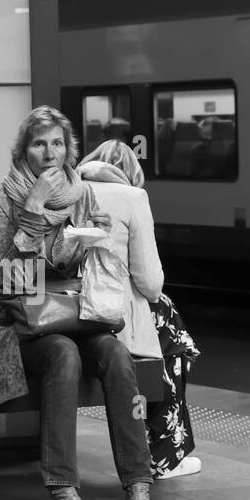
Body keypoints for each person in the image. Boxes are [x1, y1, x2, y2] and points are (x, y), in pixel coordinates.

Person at [0, 106, 159, 500]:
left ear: (68, 148)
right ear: (23, 151)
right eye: (39, 143)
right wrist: (35, 208)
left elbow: (80, 265)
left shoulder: (84, 194)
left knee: (115, 353)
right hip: (19, 323)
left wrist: (97, 238)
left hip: (75, 314)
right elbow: (11, 276)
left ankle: (137, 484)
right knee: (62, 355)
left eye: (57, 143)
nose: (49, 152)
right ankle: (62, 493)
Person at [77, 139, 201, 479]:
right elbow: (150, 282)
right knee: (172, 338)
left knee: (167, 328)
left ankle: (158, 447)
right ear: (130, 173)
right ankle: (164, 456)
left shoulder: (69, 187)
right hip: (111, 317)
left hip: (70, 311)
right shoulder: (133, 198)